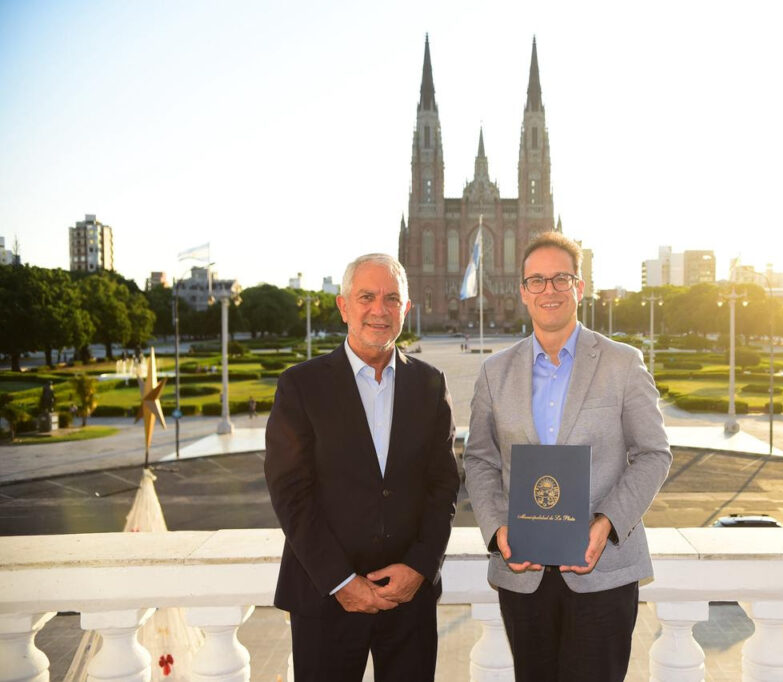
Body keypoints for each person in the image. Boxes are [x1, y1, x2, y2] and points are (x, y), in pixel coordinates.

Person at [463, 232, 671, 682]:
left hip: (604, 572)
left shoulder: (623, 362)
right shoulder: (494, 373)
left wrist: (608, 524)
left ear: (580, 286)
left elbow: (653, 454)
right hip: (523, 574)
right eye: (536, 280)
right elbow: (479, 460)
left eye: (561, 278)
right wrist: (498, 528)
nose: (549, 290)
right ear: (522, 291)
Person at [265, 253, 460, 681]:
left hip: (408, 601)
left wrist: (419, 567)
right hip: (324, 598)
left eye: (392, 299)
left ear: (406, 309)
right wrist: (340, 581)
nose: (379, 310)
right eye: (367, 296)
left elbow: (443, 485)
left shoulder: (430, 385)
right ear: (343, 306)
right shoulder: (301, 385)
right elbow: (291, 493)